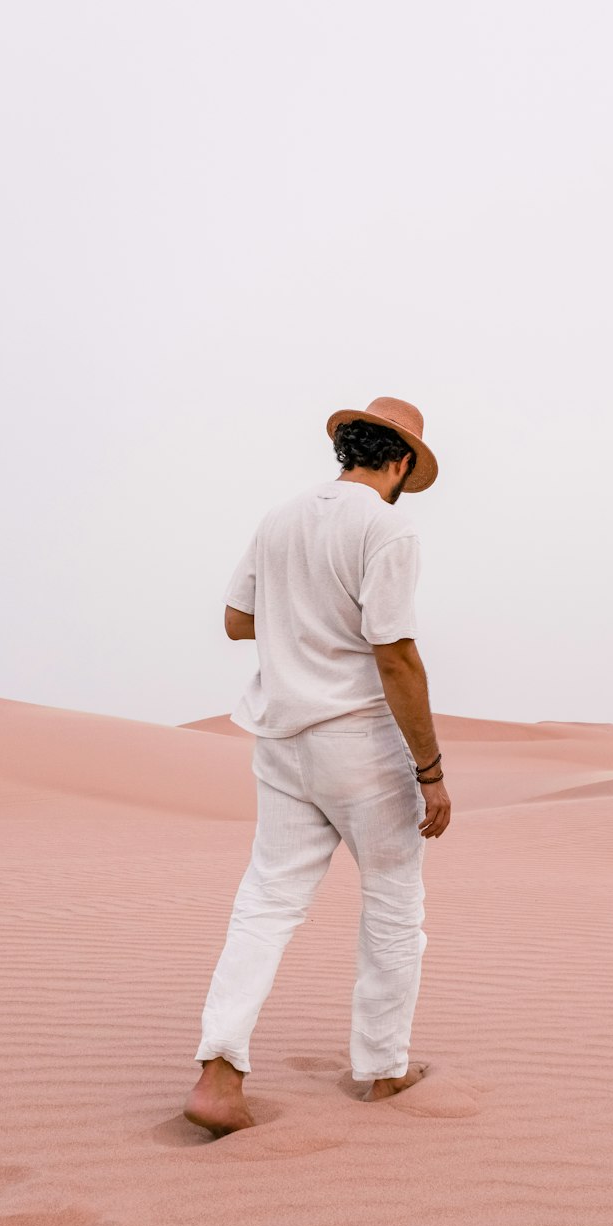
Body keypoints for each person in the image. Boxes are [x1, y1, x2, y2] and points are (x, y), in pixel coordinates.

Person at [184, 397, 451, 1137]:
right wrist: (428, 770)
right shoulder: (388, 525)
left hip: (281, 738)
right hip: (359, 744)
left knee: (266, 904)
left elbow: (238, 620)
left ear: (347, 449)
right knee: (394, 905)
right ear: (399, 462)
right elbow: (394, 651)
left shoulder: (281, 517)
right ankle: (384, 1070)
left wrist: (297, 614)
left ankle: (219, 1072)